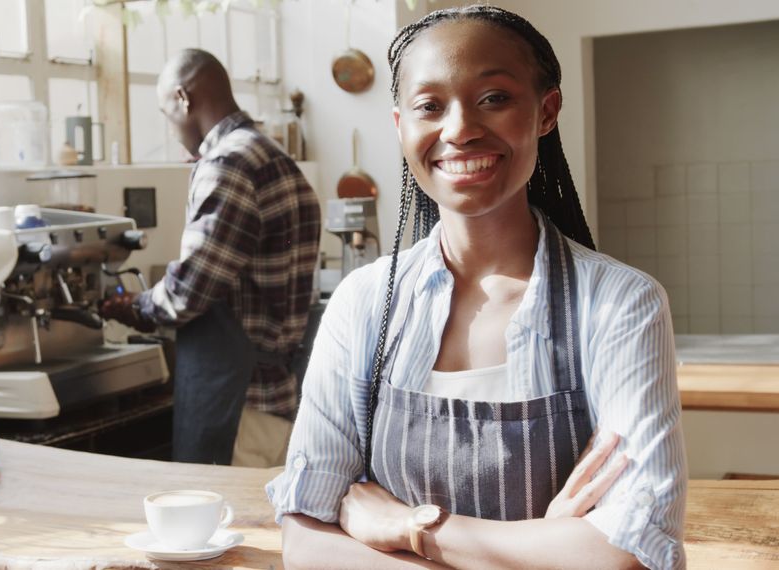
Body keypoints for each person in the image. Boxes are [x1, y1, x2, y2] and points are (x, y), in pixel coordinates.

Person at [266, 5, 686, 569]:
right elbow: (305, 542)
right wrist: (540, 549)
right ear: (401, 127)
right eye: (429, 106)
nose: (460, 129)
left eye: (494, 98)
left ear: (546, 110)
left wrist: (408, 527)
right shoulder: (364, 304)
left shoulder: (619, 303)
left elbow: (627, 551)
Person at [101, 49, 322, 467]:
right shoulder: (271, 155)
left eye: (166, 114)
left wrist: (135, 307)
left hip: (239, 407)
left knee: (225, 528)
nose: (170, 130)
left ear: (184, 99)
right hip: (277, 397)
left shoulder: (228, 163)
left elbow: (189, 290)